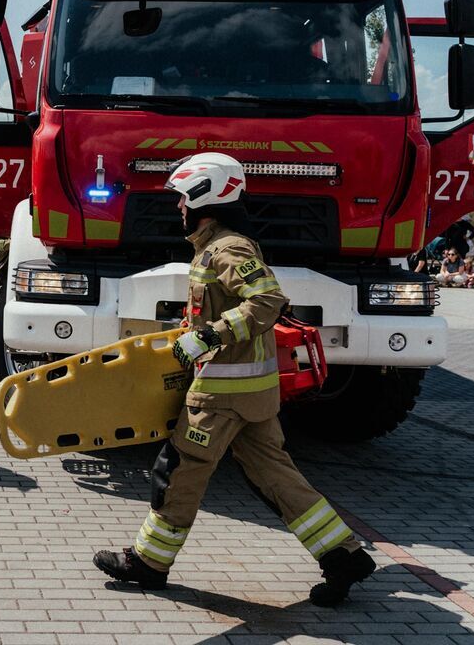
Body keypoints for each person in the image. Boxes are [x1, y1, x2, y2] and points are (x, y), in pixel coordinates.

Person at [93, 152, 374, 607]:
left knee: (178, 473)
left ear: (204, 196)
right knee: (277, 478)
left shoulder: (228, 248)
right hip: (252, 395)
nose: (178, 208)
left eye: (182, 199)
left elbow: (267, 302)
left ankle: (148, 563)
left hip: (221, 395)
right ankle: (344, 556)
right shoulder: (217, 246)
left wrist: (207, 337)